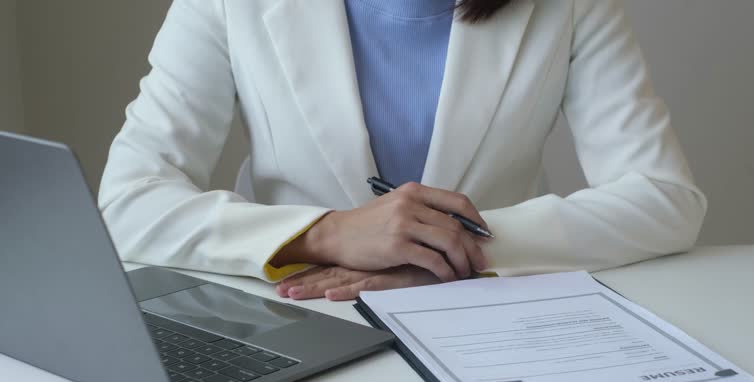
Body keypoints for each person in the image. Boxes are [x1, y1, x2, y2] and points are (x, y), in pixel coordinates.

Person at [98, 0, 707, 302]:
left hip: (493, 317)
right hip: (298, 313)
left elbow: (665, 198)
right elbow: (128, 201)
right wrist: (324, 234)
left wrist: (447, 253)